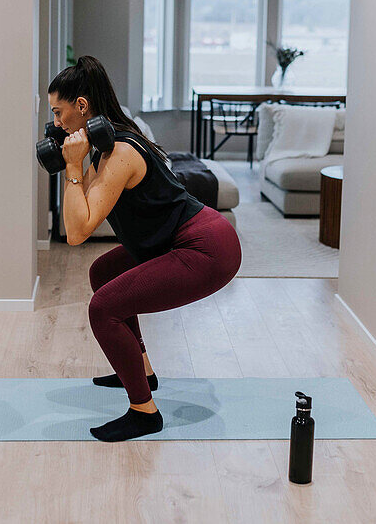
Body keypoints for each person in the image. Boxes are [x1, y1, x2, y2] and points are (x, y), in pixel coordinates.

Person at [48, 55, 243, 442]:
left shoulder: (120, 151)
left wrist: (72, 166)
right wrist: (78, 160)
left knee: (104, 308)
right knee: (103, 273)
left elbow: (77, 231)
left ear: (82, 107)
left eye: (59, 112)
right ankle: (143, 371)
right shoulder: (105, 145)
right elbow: (84, 209)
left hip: (206, 248)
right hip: (179, 239)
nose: (55, 124)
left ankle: (143, 411)